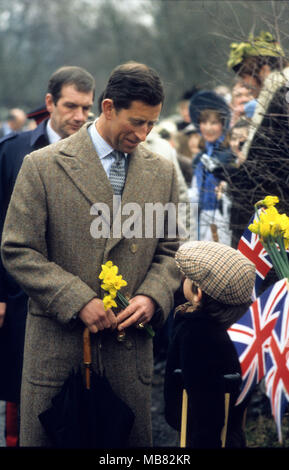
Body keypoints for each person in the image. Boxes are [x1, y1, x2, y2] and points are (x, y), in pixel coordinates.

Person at [1, 61, 181, 447]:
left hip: (127, 354)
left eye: (151, 123)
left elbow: (171, 249)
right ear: (108, 107)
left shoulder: (162, 171)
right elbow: (18, 248)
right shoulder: (42, 165)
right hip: (58, 352)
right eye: (136, 121)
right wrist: (76, 299)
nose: (143, 133)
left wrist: (153, 296)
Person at [0, 65, 95, 445]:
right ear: (49, 103)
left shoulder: (96, 154)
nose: (79, 117)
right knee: (21, 392)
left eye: (86, 109)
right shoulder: (13, 153)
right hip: (18, 294)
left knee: (77, 396)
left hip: (79, 293)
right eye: (71, 106)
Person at [164, 240, 256, 448]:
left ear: (199, 293)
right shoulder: (238, 322)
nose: (183, 279)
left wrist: (206, 440)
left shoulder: (197, 333)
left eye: (187, 277)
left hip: (202, 432)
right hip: (232, 428)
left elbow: (205, 398)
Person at [225, 31, 289, 234]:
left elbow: (273, 159)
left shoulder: (282, 96)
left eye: (245, 76)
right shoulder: (275, 95)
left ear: (263, 69)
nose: (245, 84)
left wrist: (239, 175)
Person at [188, 90, 234, 245]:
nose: (208, 127)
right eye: (204, 122)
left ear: (223, 124)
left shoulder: (229, 155)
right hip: (200, 218)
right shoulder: (198, 158)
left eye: (213, 123)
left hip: (224, 219)